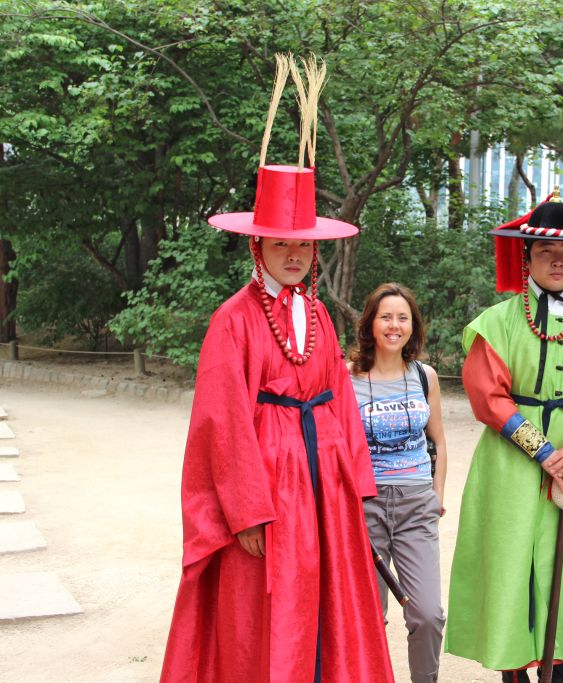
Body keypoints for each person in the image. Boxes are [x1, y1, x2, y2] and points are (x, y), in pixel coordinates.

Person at [160, 56, 394, 683]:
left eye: (304, 244)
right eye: (281, 243)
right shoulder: (231, 321)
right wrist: (245, 513)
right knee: (268, 617)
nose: (294, 255)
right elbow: (222, 421)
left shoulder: (318, 314)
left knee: (329, 609)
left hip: (323, 488)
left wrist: (355, 489)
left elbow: (340, 403)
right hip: (268, 490)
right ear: (255, 243)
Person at [444, 193, 563, 683]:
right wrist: (545, 451)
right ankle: (512, 672)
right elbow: (488, 396)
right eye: (548, 252)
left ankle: (560, 670)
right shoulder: (495, 324)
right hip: (512, 461)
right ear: (527, 255)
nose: (559, 262)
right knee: (512, 561)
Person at [348, 283, 447, 683]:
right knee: (367, 616)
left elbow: (438, 440)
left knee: (427, 614)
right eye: (385, 316)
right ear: (370, 323)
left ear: (413, 326)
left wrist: (436, 496)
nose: (394, 325)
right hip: (365, 506)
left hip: (416, 505)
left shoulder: (425, 376)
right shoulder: (346, 377)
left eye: (402, 317)